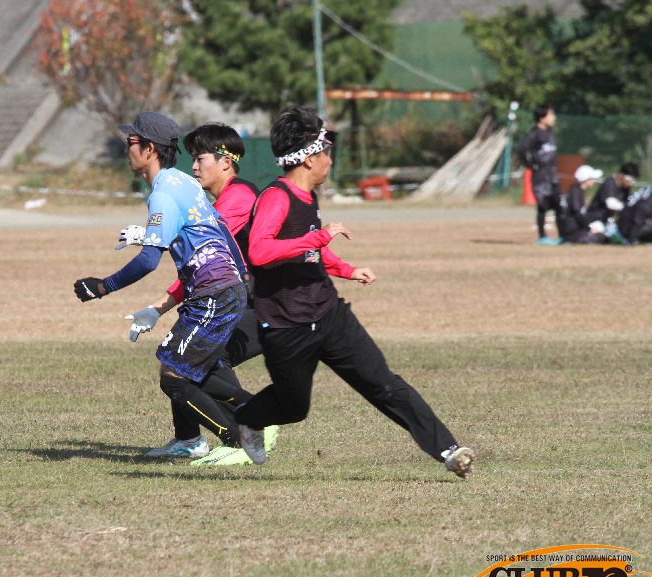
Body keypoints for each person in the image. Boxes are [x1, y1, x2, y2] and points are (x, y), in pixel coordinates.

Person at [231, 105, 475, 479]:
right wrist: (319, 236)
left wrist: (346, 269)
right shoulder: (276, 197)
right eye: (326, 153)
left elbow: (309, 250)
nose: (330, 160)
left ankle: (449, 450)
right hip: (286, 326)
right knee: (294, 407)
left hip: (329, 314)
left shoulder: (308, 196)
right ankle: (248, 418)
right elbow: (260, 252)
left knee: (383, 384)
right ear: (310, 158)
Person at [73, 112, 249, 458]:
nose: (127, 148)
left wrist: (103, 286)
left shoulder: (164, 194)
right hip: (219, 290)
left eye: (131, 142)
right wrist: (239, 275)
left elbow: (148, 261)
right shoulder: (182, 181)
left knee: (174, 377)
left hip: (214, 292)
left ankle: (239, 439)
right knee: (188, 367)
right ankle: (213, 433)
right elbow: (220, 228)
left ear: (150, 149)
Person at [120, 122, 277, 466]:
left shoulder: (239, 197)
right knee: (184, 355)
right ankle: (190, 438)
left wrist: (158, 303)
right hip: (243, 300)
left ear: (225, 162)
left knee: (193, 360)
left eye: (200, 158)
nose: (193, 166)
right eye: (191, 158)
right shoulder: (217, 199)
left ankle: (251, 425)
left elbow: (206, 254)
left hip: (268, 307)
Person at [519, 104, 562, 245]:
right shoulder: (535, 134)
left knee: (559, 205)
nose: (554, 118)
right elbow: (522, 150)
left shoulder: (549, 132)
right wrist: (531, 165)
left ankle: (563, 235)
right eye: (551, 115)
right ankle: (543, 237)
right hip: (541, 178)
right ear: (542, 118)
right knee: (543, 206)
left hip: (553, 176)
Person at [586, 163, 640, 243]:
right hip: (596, 220)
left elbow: (626, 204)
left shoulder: (625, 188)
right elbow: (610, 204)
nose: (631, 183)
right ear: (621, 175)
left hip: (610, 222)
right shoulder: (609, 182)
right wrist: (628, 208)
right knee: (599, 234)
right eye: (630, 180)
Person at [558, 165, 606, 244]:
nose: (594, 181)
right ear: (586, 179)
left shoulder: (578, 191)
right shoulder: (575, 192)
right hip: (571, 232)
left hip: (575, 229)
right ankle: (568, 241)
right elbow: (577, 213)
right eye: (592, 178)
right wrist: (589, 228)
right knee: (600, 237)